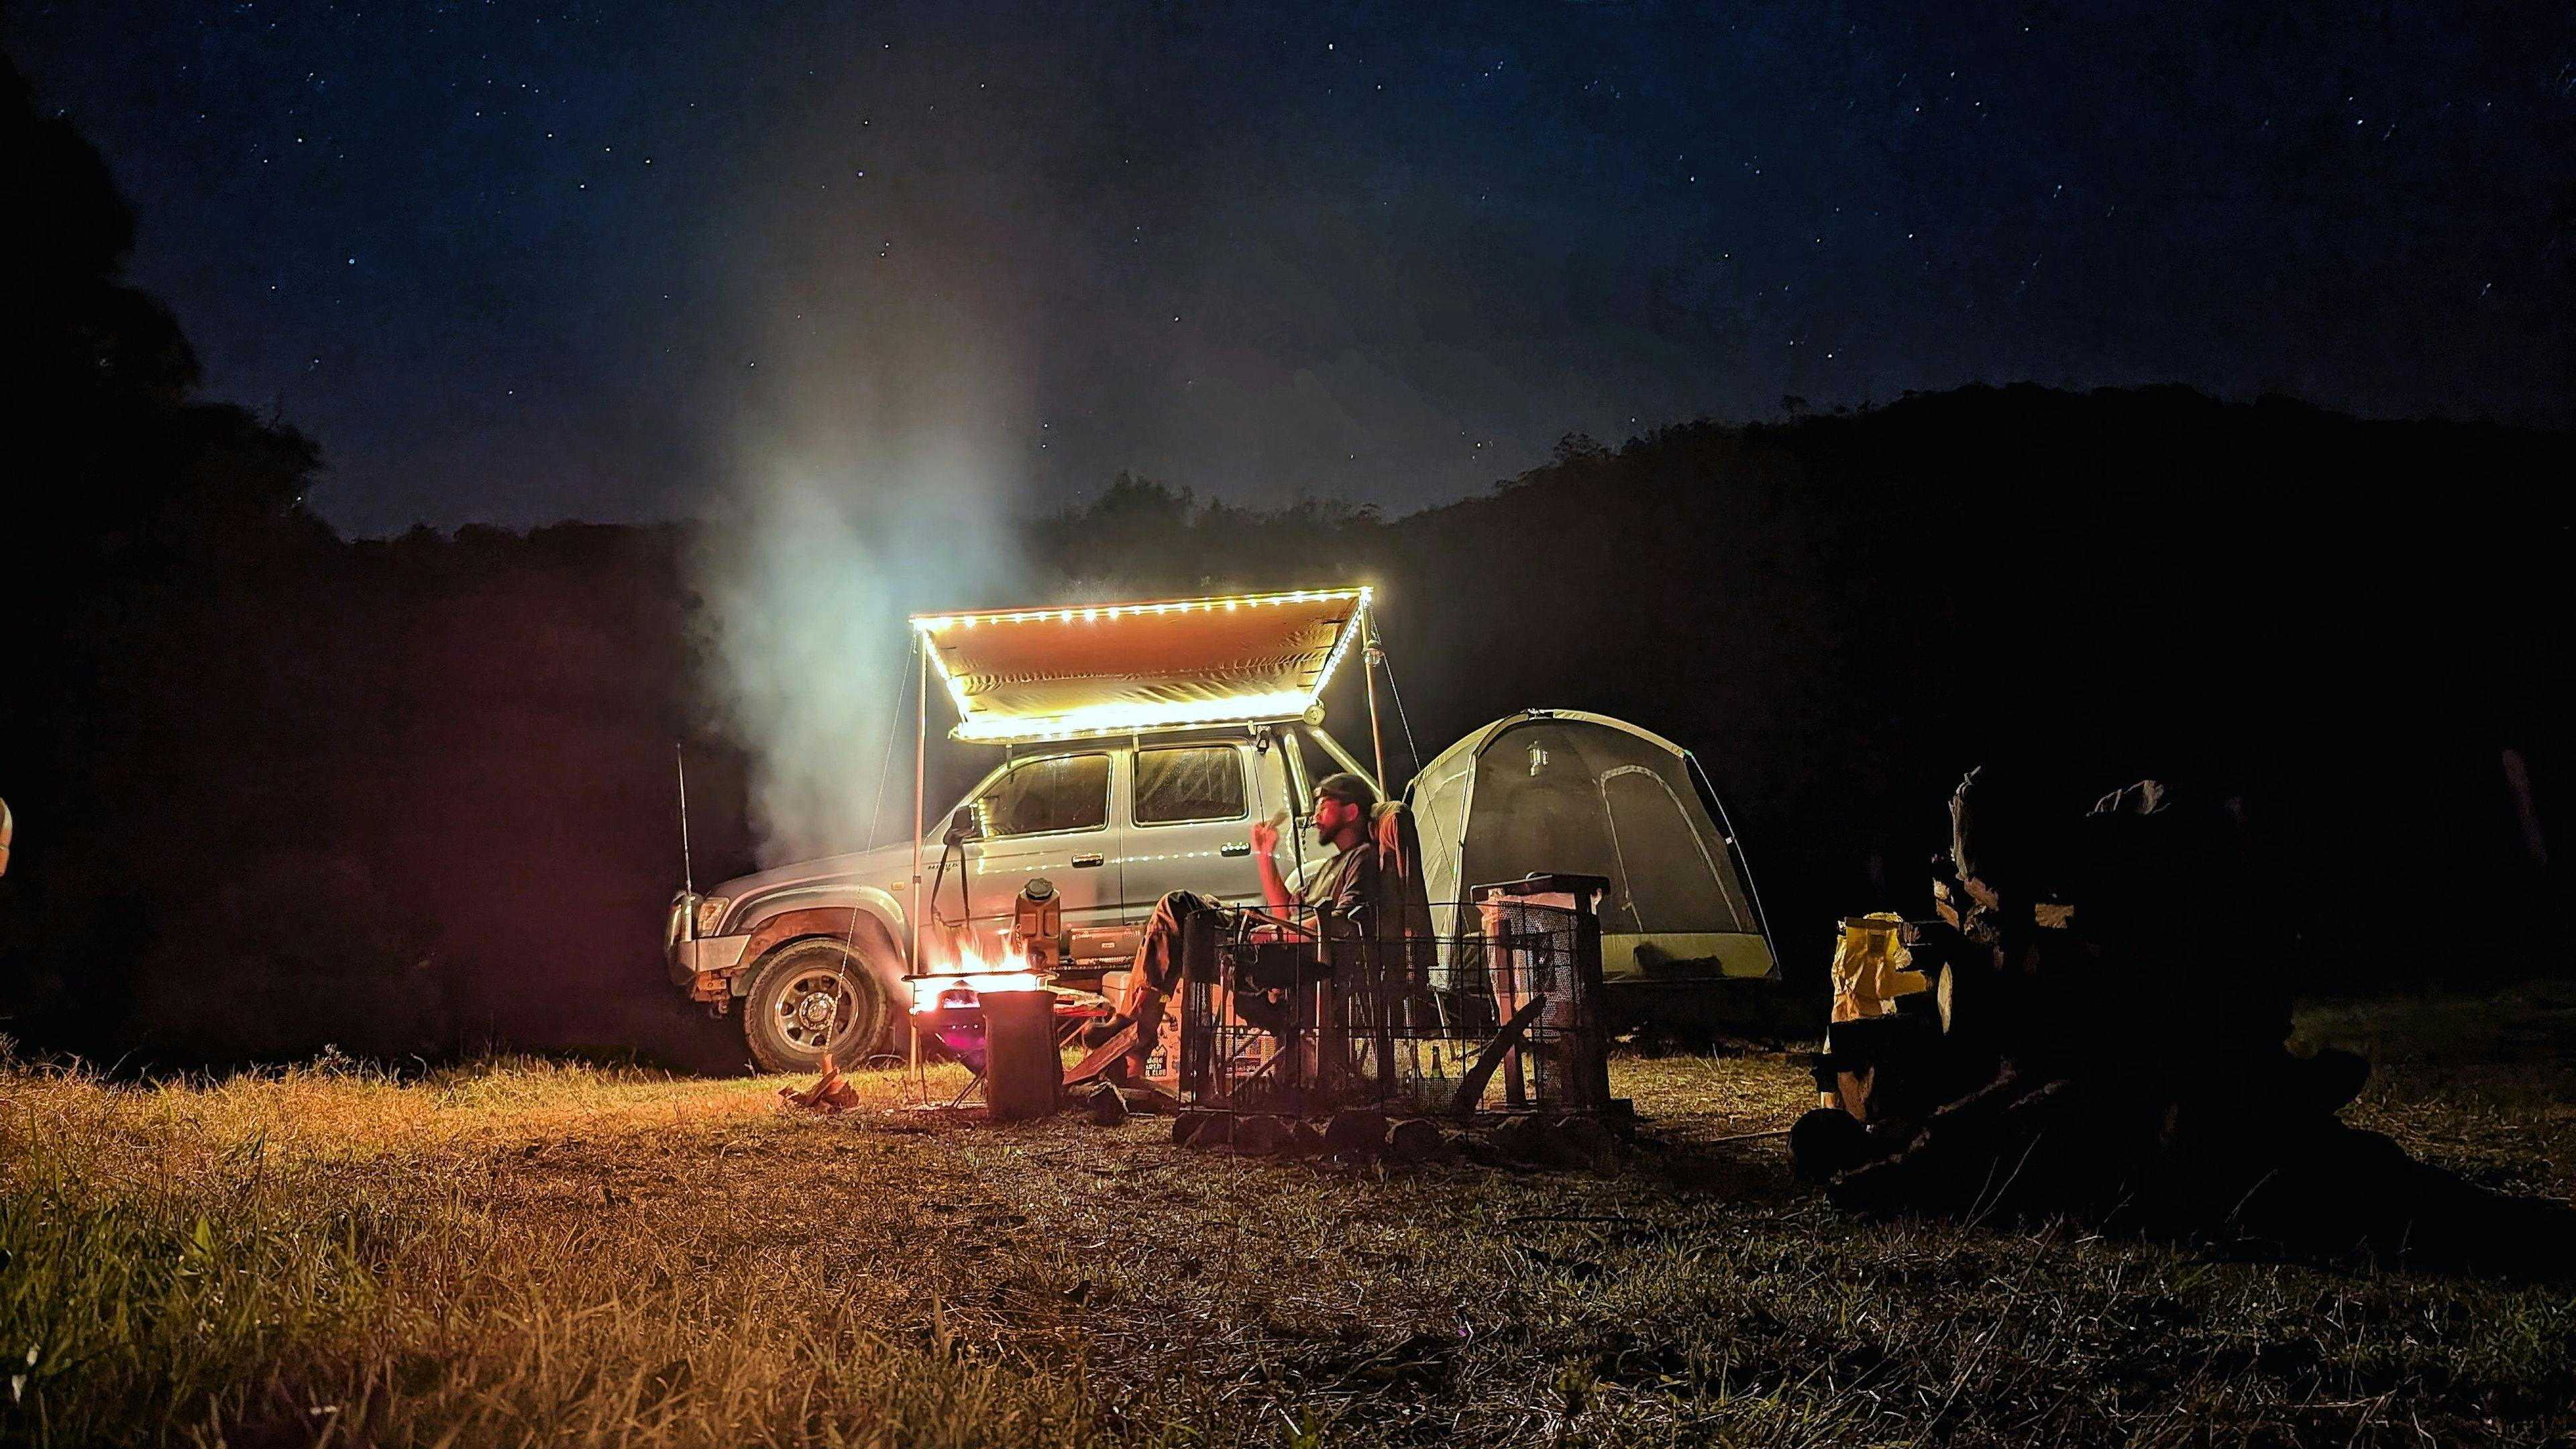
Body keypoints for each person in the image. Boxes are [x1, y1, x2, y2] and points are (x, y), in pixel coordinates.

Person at [1252, 771, 1381, 928]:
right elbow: (1286, 913)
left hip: (1310, 950)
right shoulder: (1331, 864)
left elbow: (1343, 921)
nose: (1315, 818)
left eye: (1323, 808)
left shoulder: (1363, 857)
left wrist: (1278, 935)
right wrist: (1265, 855)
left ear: (1350, 812)